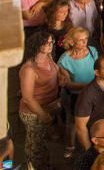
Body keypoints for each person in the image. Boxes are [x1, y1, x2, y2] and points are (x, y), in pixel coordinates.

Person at [19, 31, 61, 169]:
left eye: (51, 42)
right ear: (37, 45)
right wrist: (43, 115)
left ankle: (45, 166)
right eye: (47, 43)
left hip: (48, 107)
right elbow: (28, 99)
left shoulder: (48, 57)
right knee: (34, 146)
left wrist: (62, 77)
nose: (50, 45)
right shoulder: (29, 69)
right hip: (34, 112)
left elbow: (56, 71)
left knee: (42, 143)